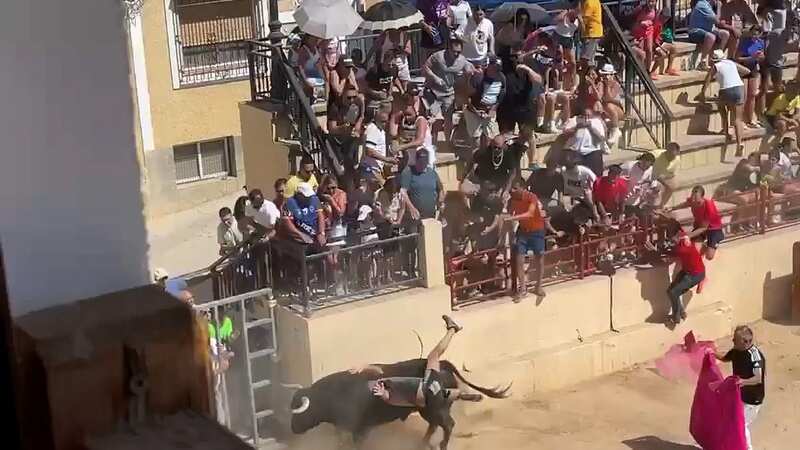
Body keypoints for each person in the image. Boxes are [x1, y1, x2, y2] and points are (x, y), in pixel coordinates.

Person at [351, 316, 482, 410]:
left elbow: (392, 399)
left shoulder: (391, 397)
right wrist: (364, 366)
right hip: (427, 387)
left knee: (442, 394)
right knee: (433, 356)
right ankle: (452, 329)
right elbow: (379, 371)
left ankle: (462, 395)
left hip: (427, 401)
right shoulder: (385, 381)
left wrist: (383, 395)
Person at [506, 178, 562, 299]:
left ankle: (538, 286)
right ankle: (522, 288)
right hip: (523, 232)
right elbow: (509, 213)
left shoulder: (532, 197)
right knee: (519, 259)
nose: (512, 190)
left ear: (523, 188)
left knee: (539, 259)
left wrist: (511, 219)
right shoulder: (513, 200)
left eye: (515, 188)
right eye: (512, 187)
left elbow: (530, 214)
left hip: (537, 231)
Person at [714, 325, 766, 450]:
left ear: (745, 342)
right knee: (733, 421)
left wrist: (741, 381)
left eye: (735, 339)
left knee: (741, 424)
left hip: (753, 400)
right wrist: (711, 353)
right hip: (740, 395)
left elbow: (757, 378)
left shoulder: (755, 356)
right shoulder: (736, 350)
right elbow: (725, 358)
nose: (732, 341)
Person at [697, 49, 750, 158]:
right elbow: (747, 71)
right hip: (739, 87)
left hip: (726, 89)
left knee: (722, 109)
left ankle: (726, 133)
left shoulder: (716, 66)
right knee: (738, 119)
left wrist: (702, 93)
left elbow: (707, 79)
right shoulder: (731, 62)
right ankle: (739, 143)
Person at [645, 229, 705, 324]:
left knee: (673, 292)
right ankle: (681, 312)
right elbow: (681, 234)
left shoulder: (682, 249)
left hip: (695, 275)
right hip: (687, 272)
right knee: (672, 291)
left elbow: (668, 253)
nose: (672, 242)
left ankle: (676, 316)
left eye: (673, 240)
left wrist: (655, 250)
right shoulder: (683, 239)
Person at [423, 36, 474, 147]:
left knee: (448, 119)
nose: (456, 54)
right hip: (433, 91)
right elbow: (426, 67)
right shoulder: (438, 56)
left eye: (459, 52)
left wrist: (470, 73)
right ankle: (433, 143)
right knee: (436, 119)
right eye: (454, 52)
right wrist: (435, 78)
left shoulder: (462, 60)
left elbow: (470, 70)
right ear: (448, 49)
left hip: (449, 93)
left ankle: (448, 142)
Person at [497, 46, 540, 165]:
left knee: (528, 134)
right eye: (513, 56)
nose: (515, 59)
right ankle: (506, 161)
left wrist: (526, 69)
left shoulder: (529, 64)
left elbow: (538, 80)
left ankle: (533, 161)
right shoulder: (504, 66)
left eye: (517, 56)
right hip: (506, 107)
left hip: (525, 107)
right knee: (506, 135)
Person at [672, 185, 725, 260]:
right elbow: (686, 204)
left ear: (702, 197)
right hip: (699, 227)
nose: (693, 199)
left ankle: (716, 240)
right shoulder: (692, 200)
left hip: (713, 229)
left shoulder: (708, 206)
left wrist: (689, 236)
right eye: (692, 195)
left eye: (695, 197)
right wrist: (672, 208)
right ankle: (704, 245)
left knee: (709, 257)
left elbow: (703, 228)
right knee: (694, 249)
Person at [389, 83, 436, 169]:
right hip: (410, 157)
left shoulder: (421, 117)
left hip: (424, 156)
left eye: (416, 94)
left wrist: (401, 147)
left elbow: (420, 141)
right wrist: (395, 115)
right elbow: (393, 132)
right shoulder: (403, 115)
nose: (414, 97)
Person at [463, 56, 505, 149]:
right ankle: (474, 160)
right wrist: (476, 111)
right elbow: (467, 98)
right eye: (494, 67)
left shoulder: (501, 77)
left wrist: (493, 109)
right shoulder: (478, 77)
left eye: (498, 68)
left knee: (493, 138)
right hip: (474, 110)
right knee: (476, 141)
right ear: (488, 66)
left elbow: (501, 96)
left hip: (489, 111)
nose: (496, 71)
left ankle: (486, 158)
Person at [399, 148, 444, 222]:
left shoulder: (432, 173)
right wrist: (412, 208)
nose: (422, 164)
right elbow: (403, 192)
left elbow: (440, 189)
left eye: (424, 162)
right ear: (416, 160)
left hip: (431, 215)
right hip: (414, 216)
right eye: (420, 162)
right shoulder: (408, 172)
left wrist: (440, 202)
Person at [328, 85, 365, 173]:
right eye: (348, 98)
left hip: (351, 138)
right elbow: (332, 129)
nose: (352, 100)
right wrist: (343, 127)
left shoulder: (357, 103)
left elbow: (361, 116)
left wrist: (358, 125)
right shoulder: (335, 107)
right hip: (338, 140)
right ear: (343, 96)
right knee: (342, 169)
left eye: (354, 97)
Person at [735, 24, 766, 128]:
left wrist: (760, 57)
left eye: (757, 34)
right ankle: (742, 119)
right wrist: (751, 57)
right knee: (743, 95)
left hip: (753, 69)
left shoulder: (761, 43)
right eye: (753, 34)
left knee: (752, 95)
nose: (754, 36)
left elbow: (762, 57)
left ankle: (750, 119)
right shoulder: (744, 43)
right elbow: (737, 58)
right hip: (743, 69)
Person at [562, 108, 607, 177]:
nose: (586, 118)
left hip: (592, 151)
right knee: (569, 159)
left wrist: (591, 128)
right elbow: (565, 134)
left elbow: (602, 138)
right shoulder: (574, 120)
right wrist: (576, 128)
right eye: (584, 116)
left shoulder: (596, 122)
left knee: (597, 161)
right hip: (574, 150)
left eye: (588, 116)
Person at [687, 0, 731, 70]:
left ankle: (717, 58)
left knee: (725, 34)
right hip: (695, 32)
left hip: (707, 30)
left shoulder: (709, 5)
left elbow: (719, 21)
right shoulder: (702, 5)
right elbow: (717, 21)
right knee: (711, 37)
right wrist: (719, 7)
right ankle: (702, 62)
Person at [282, 182, 326, 249]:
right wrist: (301, 235)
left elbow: (320, 216)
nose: (309, 198)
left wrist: (321, 233)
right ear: (299, 194)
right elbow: (287, 222)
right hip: (298, 241)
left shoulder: (314, 199)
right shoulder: (289, 203)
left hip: (315, 237)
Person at [360, 108, 399, 183]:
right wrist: (386, 159)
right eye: (382, 121)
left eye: (385, 121)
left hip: (376, 170)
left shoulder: (380, 130)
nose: (384, 124)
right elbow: (369, 151)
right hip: (370, 170)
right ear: (376, 118)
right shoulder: (373, 129)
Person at [630, 0, 660, 77]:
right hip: (638, 31)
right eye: (649, 1)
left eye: (653, 1)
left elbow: (655, 22)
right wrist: (641, 23)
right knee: (641, 51)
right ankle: (640, 70)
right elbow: (632, 20)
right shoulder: (640, 9)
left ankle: (647, 70)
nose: (651, 3)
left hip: (649, 30)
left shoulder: (656, 11)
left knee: (649, 49)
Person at [597, 63, 624, 147]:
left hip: (617, 110)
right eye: (603, 75)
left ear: (612, 75)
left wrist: (608, 85)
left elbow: (609, 98)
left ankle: (615, 129)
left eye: (607, 75)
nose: (605, 77)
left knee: (609, 105)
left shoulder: (616, 84)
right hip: (605, 110)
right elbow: (600, 97)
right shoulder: (601, 83)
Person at [554, 7, 579, 90]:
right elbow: (555, 20)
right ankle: (560, 84)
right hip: (558, 36)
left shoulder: (577, 21)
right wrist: (565, 12)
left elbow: (582, 28)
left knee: (573, 63)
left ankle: (574, 83)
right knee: (560, 60)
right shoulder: (565, 15)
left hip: (568, 39)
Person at [318, 175, 348, 244]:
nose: (331, 191)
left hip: (337, 225)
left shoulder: (341, 194)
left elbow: (340, 213)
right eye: (328, 188)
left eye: (333, 188)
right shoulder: (321, 195)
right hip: (325, 226)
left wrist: (331, 201)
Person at [653, 142, 682, 207]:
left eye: (672, 155)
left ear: (677, 153)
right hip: (651, 175)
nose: (670, 156)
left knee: (673, 185)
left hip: (662, 176)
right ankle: (653, 205)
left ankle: (662, 205)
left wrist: (666, 179)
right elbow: (655, 175)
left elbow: (672, 174)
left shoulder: (677, 159)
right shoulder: (658, 156)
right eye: (668, 152)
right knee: (658, 186)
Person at [579, 0, 603, 67]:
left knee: (586, 59)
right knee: (588, 58)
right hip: (595, 32)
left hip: (591, 33)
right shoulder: (596, 1)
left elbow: (584, 20)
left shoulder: (589, 2)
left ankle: (587, 75)